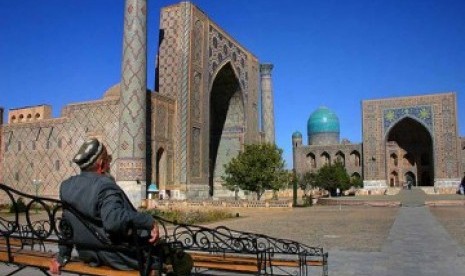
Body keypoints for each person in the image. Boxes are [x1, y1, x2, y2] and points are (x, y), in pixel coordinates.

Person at [49, 138, 160, 274]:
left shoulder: (66, 187)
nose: (109, 164)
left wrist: (62, 256)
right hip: (120, 257)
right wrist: (149, 221)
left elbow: (67, 226)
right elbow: (113, 221)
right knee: (168, 256)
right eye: (108, 160)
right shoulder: (105, 186)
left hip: (89, 255)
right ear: (101, 164)